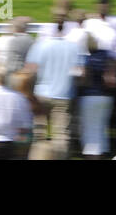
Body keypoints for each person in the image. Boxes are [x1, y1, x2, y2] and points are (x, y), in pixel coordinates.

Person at [24, 15, 83, 159]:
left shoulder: (39, 45)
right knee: (61, 135)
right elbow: (80, 73)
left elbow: (30, 70)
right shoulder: (74, 47)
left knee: (39, 133)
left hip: (41, 94)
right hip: (64, 95)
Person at [76, 33, 116, 159]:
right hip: (107, 98)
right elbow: (112, 78)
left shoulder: (84, 58)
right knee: (101, 129)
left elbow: (82, 79)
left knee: (90, 132)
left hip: (90, 97)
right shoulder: (106, 55)